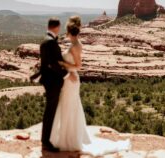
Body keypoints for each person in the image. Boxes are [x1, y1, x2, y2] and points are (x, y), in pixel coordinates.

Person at [49, 16, 131, 156]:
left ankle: (70, 140)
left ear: (69, 32)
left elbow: (78, 66)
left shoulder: (76, 46)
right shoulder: (74, 44)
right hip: (69, 79)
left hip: (72, 80)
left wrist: (62, 64)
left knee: (70, 106)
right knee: (68, 106)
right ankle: (66, 138)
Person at [37, 17, 77, 151]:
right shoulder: (51, 42)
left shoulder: (45, 40)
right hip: (52, 82)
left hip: (48, 81)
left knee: (50, 110)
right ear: (57, 27)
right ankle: (46, 142)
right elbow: (53, 64)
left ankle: (46, 139)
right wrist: (67, 75)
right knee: (50, 111)